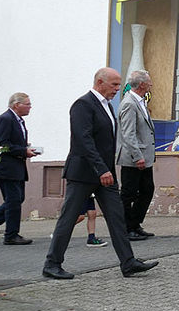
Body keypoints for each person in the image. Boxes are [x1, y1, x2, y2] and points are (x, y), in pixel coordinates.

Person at [42, 68, 158, 279]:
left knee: (116, 218)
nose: (118, 89)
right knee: (68, 218)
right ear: (99, 82)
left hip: (105, 175)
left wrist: (107, 170)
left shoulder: (106, 106)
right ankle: (52, 264)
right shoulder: (83, 105)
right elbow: (83, 140)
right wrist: (101, 169)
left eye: (118, 84)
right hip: (84, 174)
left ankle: (128, 262)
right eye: (114, 85)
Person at [0, 92, 39, 245]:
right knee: (13, 200)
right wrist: (22, 150)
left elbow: (11, 141)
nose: (30, 107)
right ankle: (10, 234)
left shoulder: (18, 120)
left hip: (16, 165)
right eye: (28, 104)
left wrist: (25, 148)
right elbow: (1, 144)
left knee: (17, 199)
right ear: (16, 105)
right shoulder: (6, 119)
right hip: (6, 166)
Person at [116, 70, 156, 241]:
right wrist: (137, 155)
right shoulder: (129, 103)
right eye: (149, 82)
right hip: (133, 158)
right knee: (129, 193)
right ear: (141, 85)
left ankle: (135, 224)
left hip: (144, 157)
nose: (151, 84)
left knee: (147, 190)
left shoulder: (140, 102)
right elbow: (128, 133)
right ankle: (126, 228)